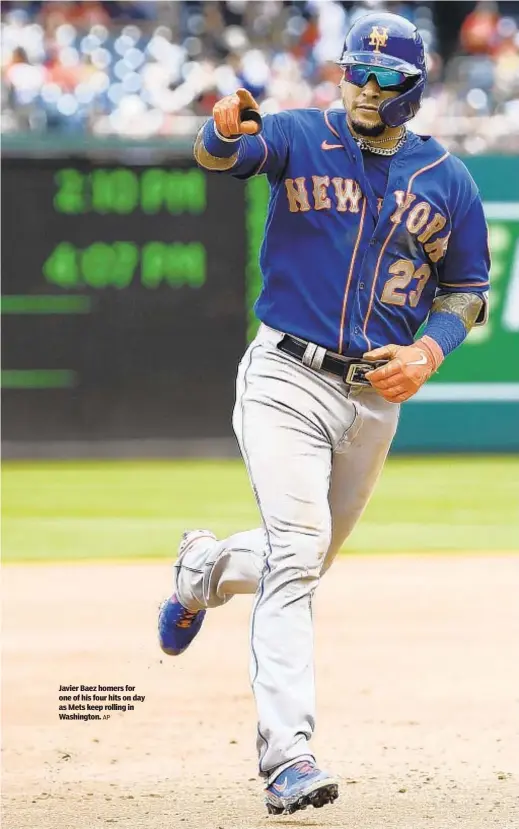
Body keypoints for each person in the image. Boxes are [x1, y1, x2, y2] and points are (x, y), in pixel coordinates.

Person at [158, 11, 490, 816]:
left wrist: (429, 352)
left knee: (304, 557)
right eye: (356, 71)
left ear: (413, 88)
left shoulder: (448, 179)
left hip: (376, 395)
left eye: (384, 78)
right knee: (299, 554)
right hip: (285, 375)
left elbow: (468, 292)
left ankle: (202, 569)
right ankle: (288, 756)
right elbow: (226, 151)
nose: (366, 87)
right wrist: (218, 125)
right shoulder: (302, 135)